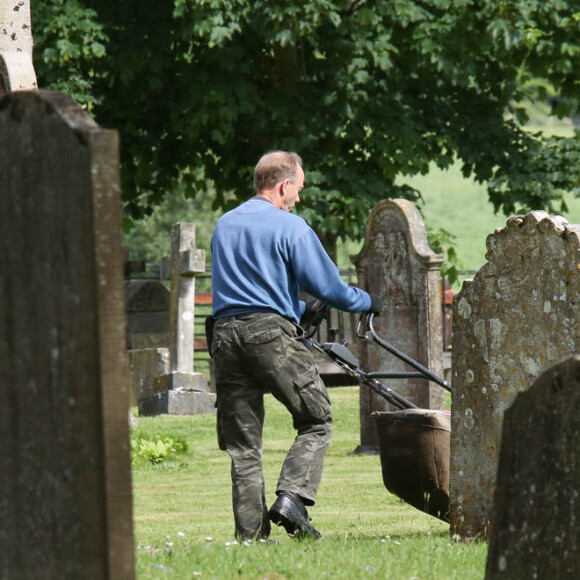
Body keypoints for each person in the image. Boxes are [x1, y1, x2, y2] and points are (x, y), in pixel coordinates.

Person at [210, 151, 381, 542]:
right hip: (269, 336)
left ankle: (252, 538)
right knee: (317, 418)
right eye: (298, 190)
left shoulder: (225, 224)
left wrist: (300, 310)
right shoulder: (291, 227)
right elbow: (330, 287)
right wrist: (367, 301)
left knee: (243, 445)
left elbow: (246, 292)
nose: (298, 199)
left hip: (224, 336)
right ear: (284, 185)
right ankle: (293, 497)